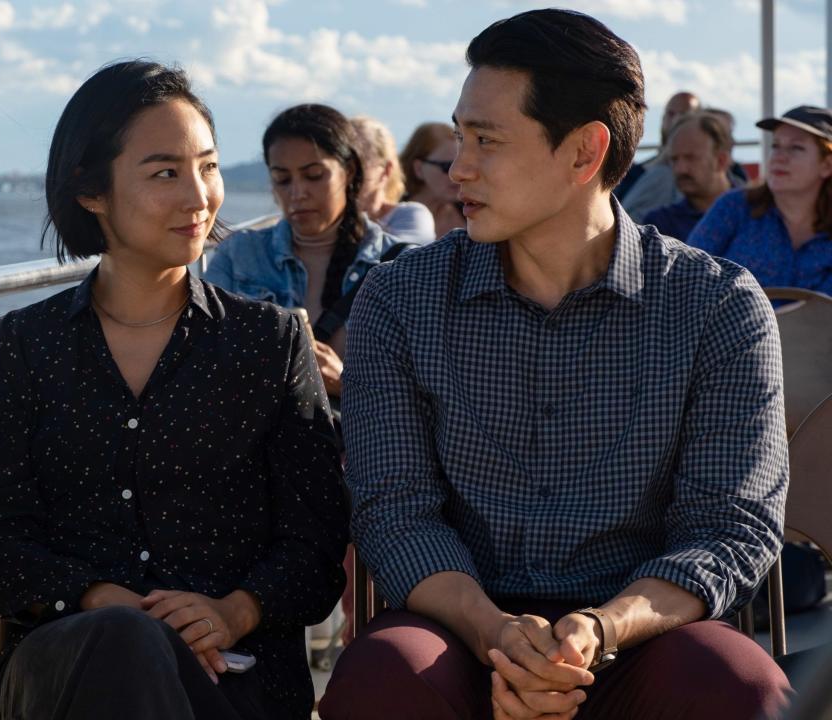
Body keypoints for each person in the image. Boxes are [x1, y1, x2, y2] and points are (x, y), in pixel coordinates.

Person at [321, 9, 789, 720]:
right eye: (458, 135)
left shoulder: (717, 307)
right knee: (384, 675)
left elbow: (727, 528)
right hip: (456, 630)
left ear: (583, 153)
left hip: (643, 633)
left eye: (486, 140)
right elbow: (395, 511)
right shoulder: (401, 298)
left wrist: (600, 629)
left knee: (740, 686)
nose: (458, 168)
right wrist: (497, 634)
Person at [0, 60, 348, 720]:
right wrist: (104, 602)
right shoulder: (17, 348)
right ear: (90, 189)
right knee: (123, 641)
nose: (199, 196)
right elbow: (3, 552)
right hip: (72, 666)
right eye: (165, 172)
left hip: (235, 672)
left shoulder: (269, 343)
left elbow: (316, 547)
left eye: (208, 166)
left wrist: (232, 612)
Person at [204, 103, 403, 401]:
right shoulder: (237, 256)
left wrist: (345, 383)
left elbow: (421, 394)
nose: (297, 193)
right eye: (283, 179)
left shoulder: (398, 265)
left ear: (348, 172)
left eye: (314, 175)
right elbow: (205, 364)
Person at [688, 105, 832, 294]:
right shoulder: (733, 207)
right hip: (733, 324)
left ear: (827, 165)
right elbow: (685, 274)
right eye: (776, 145)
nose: (779, 157)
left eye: (796, 147)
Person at [642, 112, 736, 240]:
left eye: (691, 158)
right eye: (674, 159)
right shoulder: (659, 225)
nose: (681, 169)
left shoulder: (756, 212)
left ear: (721, 161)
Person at [351, 115, 436, 245]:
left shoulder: (410, 215)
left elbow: (400, 256)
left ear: (386, 170)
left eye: (358, 162)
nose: (347, 171)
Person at [620, 91, 701, 221]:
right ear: (663, 119)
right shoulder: (633, 173)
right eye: (671, 114)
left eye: (684, 115)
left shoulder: (723, 174)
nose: (676, 120)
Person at [400, 121, 466, 239]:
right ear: (418, 169)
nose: (457, 175)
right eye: (446, 166)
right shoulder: (390, 217)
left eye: (463, 166)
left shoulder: (471, 214)